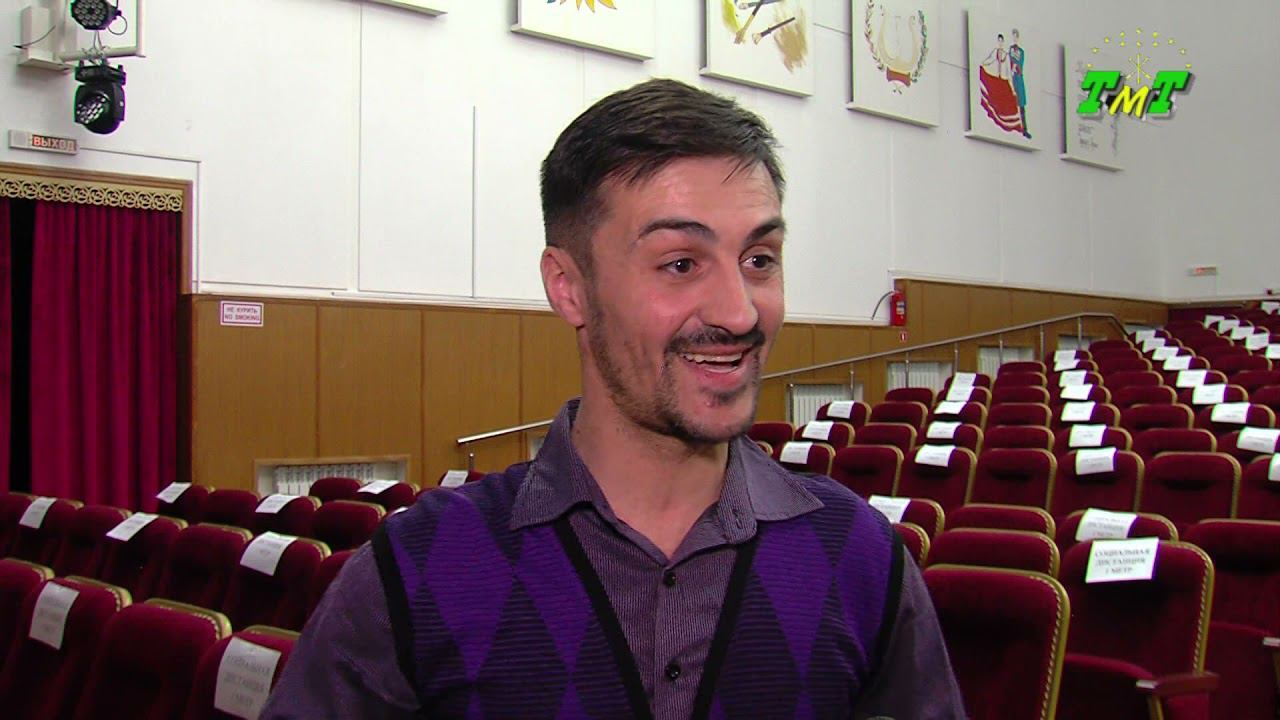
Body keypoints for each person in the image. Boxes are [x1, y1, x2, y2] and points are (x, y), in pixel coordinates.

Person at [261, 78, 965, 719]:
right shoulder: (418, 567)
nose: (740, 311)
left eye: (759, 260)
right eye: (681, 263)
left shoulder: (862, 559)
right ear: (569, 288)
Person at [1009, 29, 1031, 138]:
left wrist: (1016, 67)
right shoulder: (1010, 49)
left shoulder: (1021, 51)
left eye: (1016, 36)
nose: (1014, 39)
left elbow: (1020, 65)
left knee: (1021, 105)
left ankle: (1024, 129)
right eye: (1013, 36)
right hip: (1012, 78)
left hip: (1019, 80)